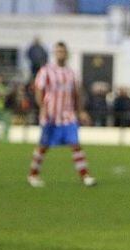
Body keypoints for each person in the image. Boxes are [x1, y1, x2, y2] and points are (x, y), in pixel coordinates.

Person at [27, 41, 96, 188]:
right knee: (43, 146)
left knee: (75, 144)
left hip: (68, 115)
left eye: (63, 51)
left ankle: (85, 175)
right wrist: (42, 107)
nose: (60, 54)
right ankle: (33, 174)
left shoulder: (72, 73)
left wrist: (81, 111)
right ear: (54, 53)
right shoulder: (46, 71)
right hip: (51, 115)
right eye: (58, 51)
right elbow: (39, 90)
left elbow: (77, 94)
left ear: (67, 54)